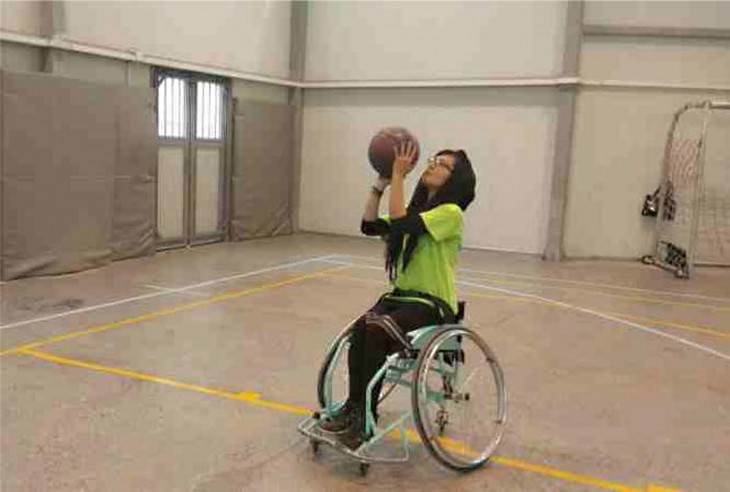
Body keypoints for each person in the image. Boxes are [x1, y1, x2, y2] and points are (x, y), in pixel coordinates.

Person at [320, 142, 477, 449]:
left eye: (443, 165)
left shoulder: (451, 213)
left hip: (432, 303)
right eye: (433, 161)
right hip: (400, 299)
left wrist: (399, 176)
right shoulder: (415, 211)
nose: (432, 165)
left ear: (455, 179)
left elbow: (403, 223)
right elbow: (368, 225)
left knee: (378, 328)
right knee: (362, 329)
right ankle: (355, 410)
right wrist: (382, 182)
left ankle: (364, 420)